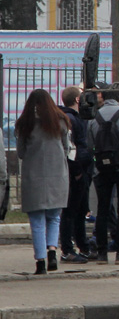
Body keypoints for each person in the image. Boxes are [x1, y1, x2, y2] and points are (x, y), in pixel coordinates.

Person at [15, 89, 71, 274]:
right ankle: (52, 251)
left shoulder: (25, 123)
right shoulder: (60, 120)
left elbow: (21, 152)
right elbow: (66, 147)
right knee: (54, 217)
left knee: (37, 220)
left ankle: (40, 261)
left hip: (34, 176)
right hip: (57, 174)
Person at [89, 84, 119, 264]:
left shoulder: (95, 117)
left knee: (103, 208)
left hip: (101, 169)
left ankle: (102, 254)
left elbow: (89, 144)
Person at [58, 86, 92, 263]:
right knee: (71, 211)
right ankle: (67, 249)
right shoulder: (71, 119)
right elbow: (72, 148)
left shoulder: (74, 118)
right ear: (78, 100)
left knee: (79, 211)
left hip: (78, 170)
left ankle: (83, 246)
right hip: (75, 171)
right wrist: (78, 171)